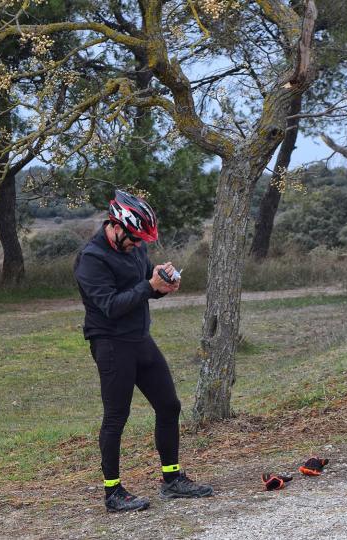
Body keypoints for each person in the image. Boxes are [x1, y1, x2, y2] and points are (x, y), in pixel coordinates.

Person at [73, 189, 214, 513]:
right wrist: (149, 287)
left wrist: (162, 286)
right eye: (135, 239)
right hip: (110, 343)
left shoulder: (135, 248)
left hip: (140, 339)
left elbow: (145, 286)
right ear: (116, 226)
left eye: (142, 241)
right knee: (116, 417)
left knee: (169, 405)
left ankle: (172, 480)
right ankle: (113, 492)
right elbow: (110, 306)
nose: (139, 246)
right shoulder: (91, 259)